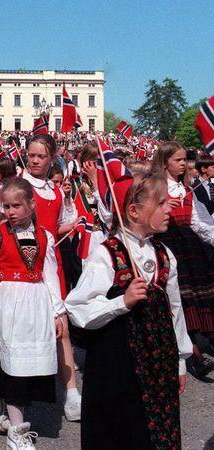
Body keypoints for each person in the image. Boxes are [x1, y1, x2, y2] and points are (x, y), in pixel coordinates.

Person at [66, 172, 192, 450]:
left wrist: (180, 361)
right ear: (133, 211)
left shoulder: (164, 254)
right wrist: (120, 303)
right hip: (117, 362)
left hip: (159, 360)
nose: (169, 208)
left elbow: (175, 310)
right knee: (122, 429)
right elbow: (76, 307)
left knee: (155, 431)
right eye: (160, 204)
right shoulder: (107, 253)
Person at [0, 178, 65, 450]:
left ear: (31, 205)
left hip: (37, 303)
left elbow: (50, 275)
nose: (10, 211)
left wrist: (58, 311)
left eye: (16, 206)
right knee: (11, 364)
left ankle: (19, 417)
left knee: (31, 363)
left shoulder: (45, 236)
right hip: (9, 303)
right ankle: (17, 432)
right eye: (6, 206)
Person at [21, 134, 82, 421]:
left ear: (51, 159)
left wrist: (75, 223)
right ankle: (17, 392)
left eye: (41, 156)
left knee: (62, 327)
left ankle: (72, 394)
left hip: (52, 262)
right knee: (28, 328)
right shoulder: (19, 187)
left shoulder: (56, 191)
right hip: (24, 262)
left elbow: (54, 228)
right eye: (31, 155)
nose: (34, 160)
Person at [150, 142, 214, 378]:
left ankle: (200, 346)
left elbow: (200, 223)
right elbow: (143, 217)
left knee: (200, 297)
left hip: (189, 246)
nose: (183, 164)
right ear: (165, 161)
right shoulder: (156, 186)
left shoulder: (186, 188)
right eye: (177, 160)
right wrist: (162, 205)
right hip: (167, 244)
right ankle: (194, 355)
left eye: (184, 159)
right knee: (180, 301)